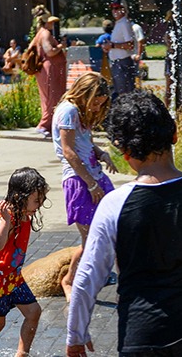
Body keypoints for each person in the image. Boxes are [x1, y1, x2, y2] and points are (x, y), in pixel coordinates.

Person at [66, 90, 182, 357]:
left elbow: (86, 279)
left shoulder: (114, 205)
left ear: (124, 151)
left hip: (143, 335)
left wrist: (76, 336)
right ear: (174, 135)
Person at [0, 167, 48, 357]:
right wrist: (5, 222)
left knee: (33, 312)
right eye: (37, 200)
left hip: (13, 278)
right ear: (21, 196)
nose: (40, 204)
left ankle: (22, 354)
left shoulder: (25, 215)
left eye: (41, 199)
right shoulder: (7, 217)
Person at [53, 73, 117, 299]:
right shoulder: (68, 111)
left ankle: (123, 282)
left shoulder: (79, 112)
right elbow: (68, 151)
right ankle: (68, 280)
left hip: (95, 178)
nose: (97, 107)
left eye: (101, 103)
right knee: (90, 239)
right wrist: (90, 184)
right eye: (95, 102)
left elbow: (84, 143)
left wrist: (101, 153)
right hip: (80, 182)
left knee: (116, 229)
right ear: (84, 93)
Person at [31, 15, 68, 138]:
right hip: (50, 69)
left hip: (47, 69)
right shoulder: (45, 33)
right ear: (45, 23)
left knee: (48, 97)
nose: (52, 25)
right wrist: (60, 46)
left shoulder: (39, 33)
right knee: (52, 96)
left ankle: (49, 124)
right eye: (50, 22)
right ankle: (44, 125)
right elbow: (49, 51)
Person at [107, 0, 140, 98]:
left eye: (116, 8)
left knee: (125, 95)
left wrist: (112, 46)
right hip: (118, 63)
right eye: (112, 8)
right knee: (120, 93)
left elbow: (130, 45)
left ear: (123, 9)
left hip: (123, 63)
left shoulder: (124, 23)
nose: (114, 11)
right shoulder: (119, 23)